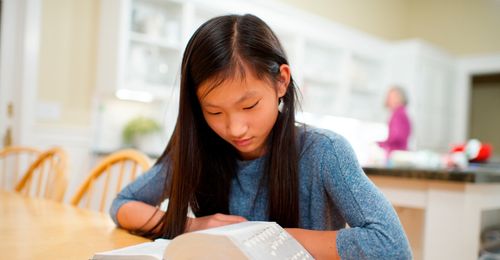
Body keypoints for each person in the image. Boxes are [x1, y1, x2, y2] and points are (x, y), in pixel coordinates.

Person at [110, 14, 412, 259]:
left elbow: (390, 246)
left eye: (249, 105)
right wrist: (195, 225)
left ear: (281, 81)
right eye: (214, 112)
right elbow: (123, 205)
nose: (235, 128)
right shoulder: (200, 148)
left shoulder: (324, 152)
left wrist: (264, 239)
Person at [378, 86, 412, 155]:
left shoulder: (398, 113)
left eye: (391, 97)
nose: (388, 99)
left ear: (399, 98)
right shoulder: (402, 112)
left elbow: (396, 137)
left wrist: (380, 144)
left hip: (397, 153)